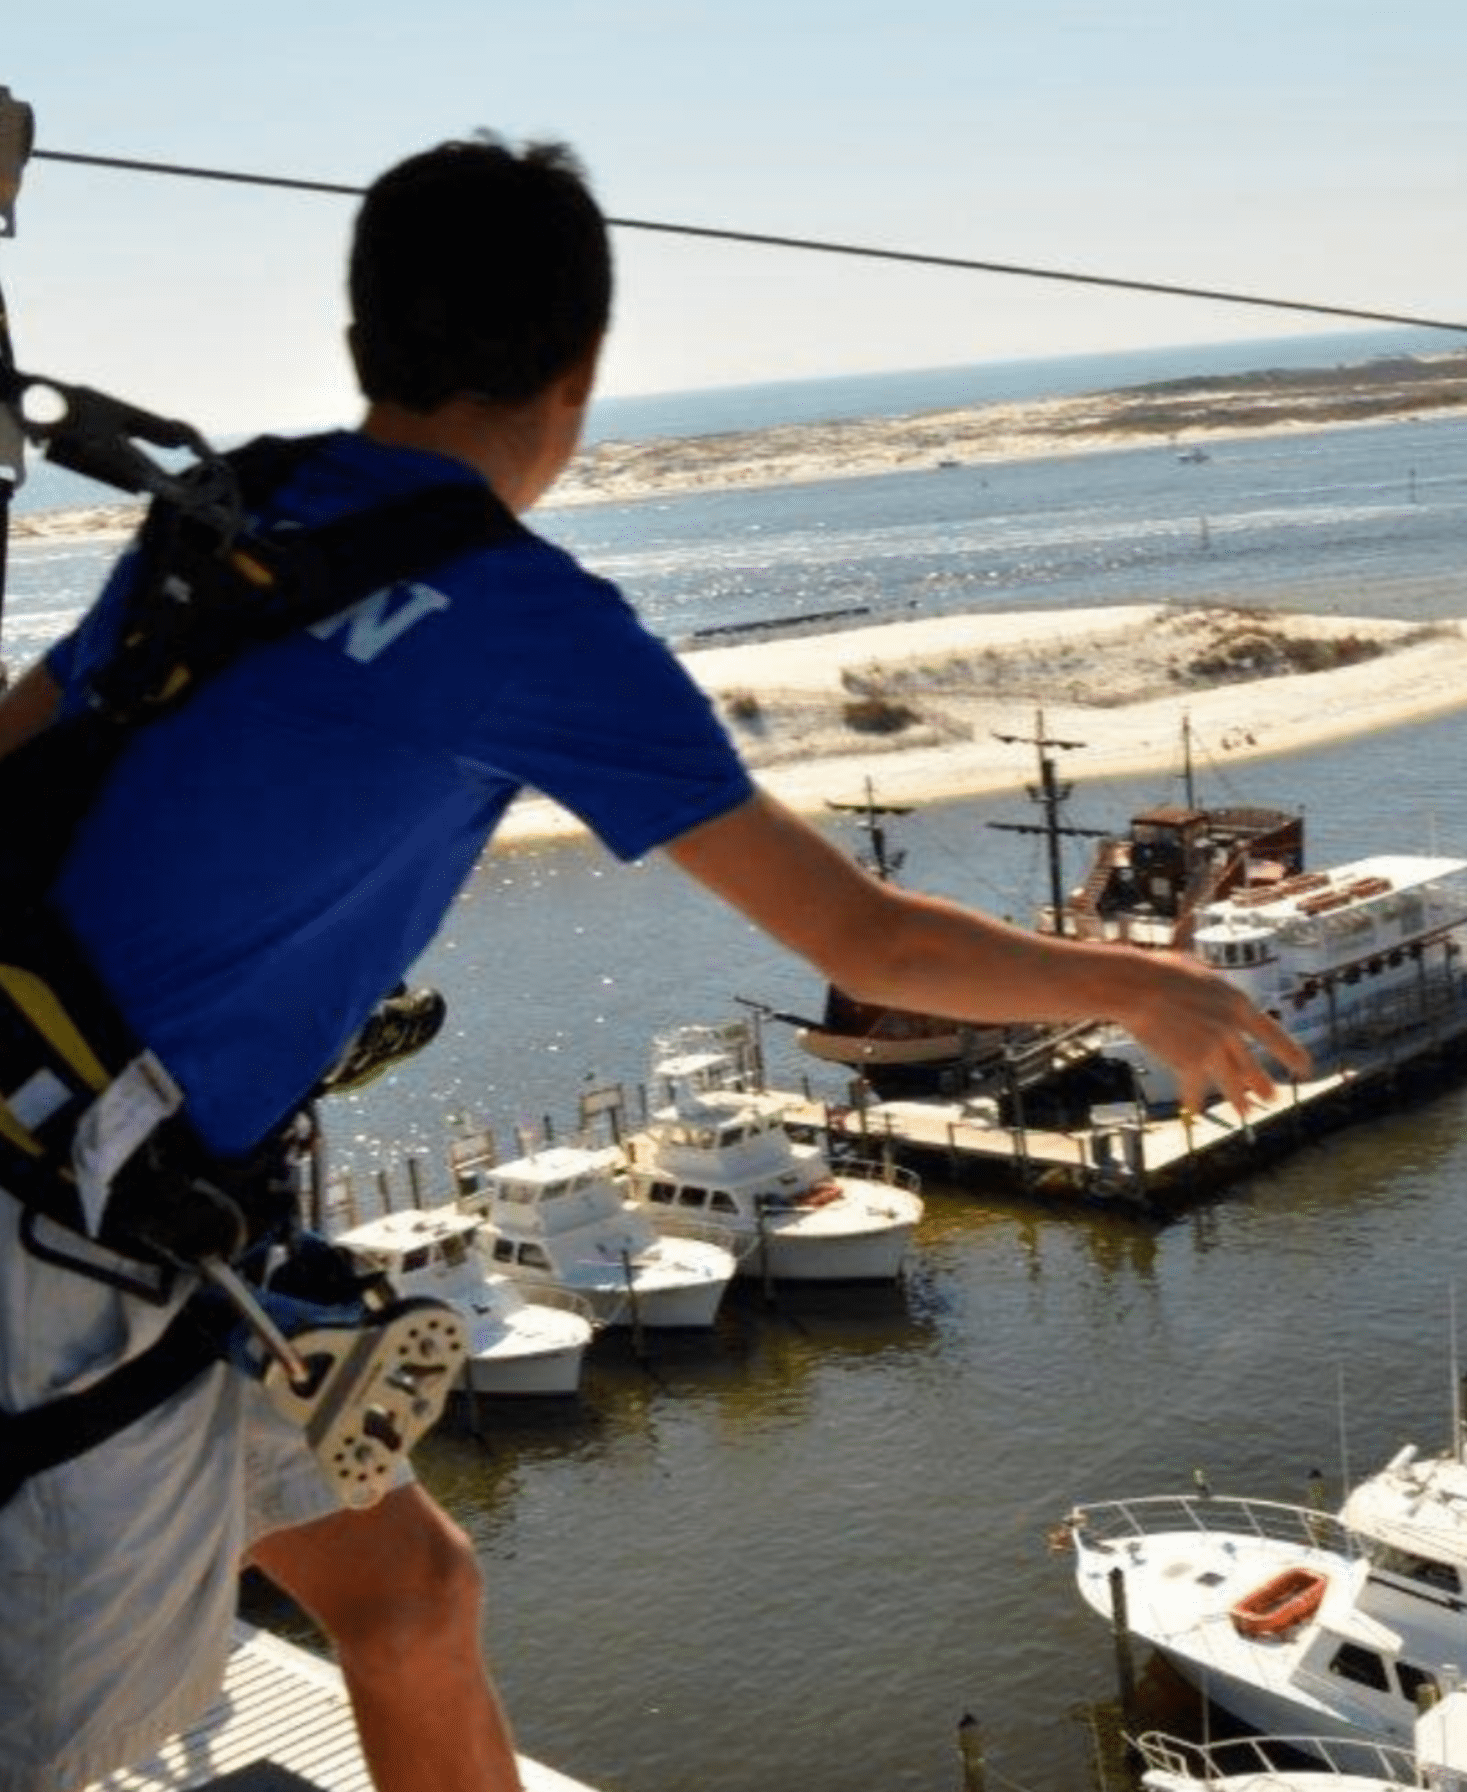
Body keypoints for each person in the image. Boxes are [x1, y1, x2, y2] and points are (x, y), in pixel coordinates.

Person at [0, 136, 1309, 1792]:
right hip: (72, 1237)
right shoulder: (525, 616)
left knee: (410, 1597)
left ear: (360, 345)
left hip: (108, 1168)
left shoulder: (234, 504)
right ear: (579, 375)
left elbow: (22, 755)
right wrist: (1137, 983)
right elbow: (863, 935)